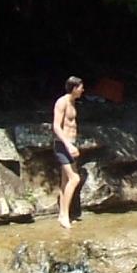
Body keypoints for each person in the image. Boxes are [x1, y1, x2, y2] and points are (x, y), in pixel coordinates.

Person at [52, 76, 85, 228]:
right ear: (74, 88)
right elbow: (56, 127)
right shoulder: (62, 102)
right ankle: (64, 215)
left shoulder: (73, 102)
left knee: (66, 181)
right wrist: (68, 145)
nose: (83, 90)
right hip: (63, 145)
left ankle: (62, 214)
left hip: (71, 144)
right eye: (80, 87)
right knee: (75, 179)